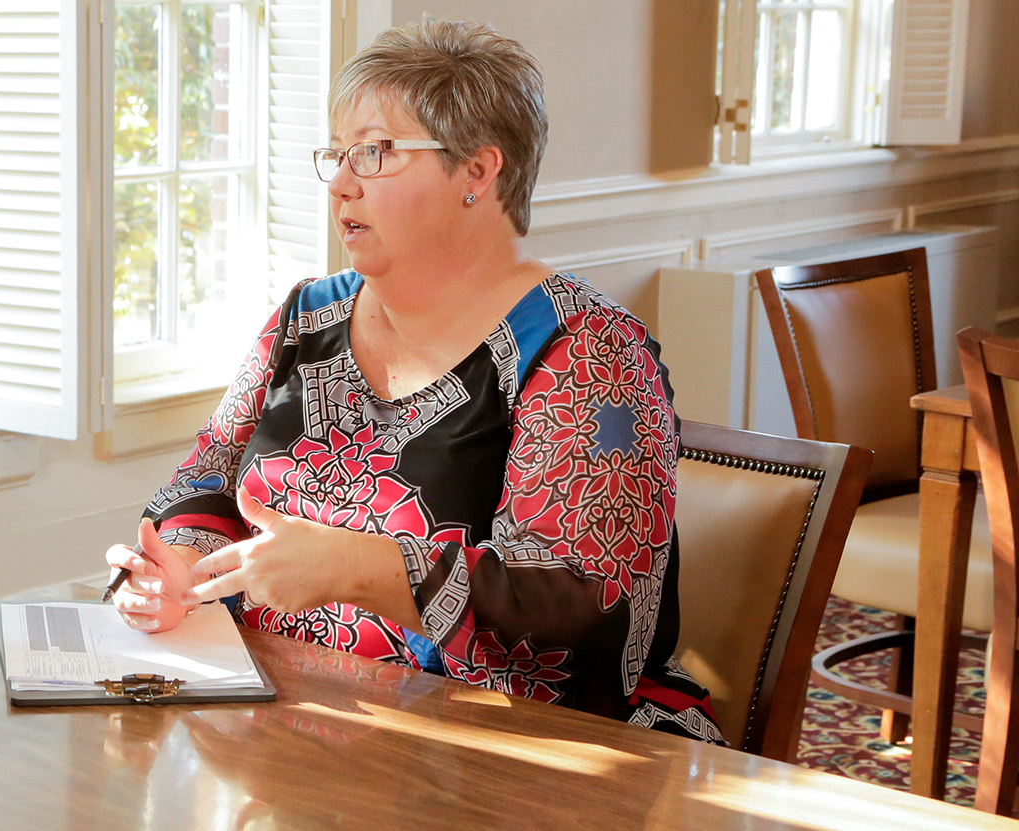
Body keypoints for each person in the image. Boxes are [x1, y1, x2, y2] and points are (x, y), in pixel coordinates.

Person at [105, 18, 722, 743]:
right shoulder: (306, 318)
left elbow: (588, 611)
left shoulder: (590, 354)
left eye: (375, 152)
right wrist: (180, 568)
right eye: (337, 155)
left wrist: (358, 568)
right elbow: (203, 480)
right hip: (296, 729)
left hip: (531, 758)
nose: (339, 184)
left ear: (478, 172)